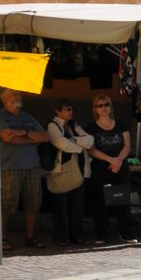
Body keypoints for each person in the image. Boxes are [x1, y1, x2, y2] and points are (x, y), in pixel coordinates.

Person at [0, 87, 49, 251]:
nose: (19, 96)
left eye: (20, 93)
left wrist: (23, 133)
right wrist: (31, 138)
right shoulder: (0, 117)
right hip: (9, 166)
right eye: (15, 93)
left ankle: (30, 236)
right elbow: (9, 140)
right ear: (4, 97)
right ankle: (2, 238)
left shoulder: (28, 117)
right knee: (6, 204)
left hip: (33, 166)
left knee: (33, 202)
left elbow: (45, 137)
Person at [84, 95, 135, 244]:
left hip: (120, 167)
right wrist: (110, 160)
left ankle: (126, 234)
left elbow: (127, 145)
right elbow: (91, 149)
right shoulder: (91, 127)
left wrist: (118, 160)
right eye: (99, 105)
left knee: (123, 201)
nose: (103, 108)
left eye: (106, 104)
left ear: (111, 107)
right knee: (99, 202)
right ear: (95, 109)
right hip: (101, 168)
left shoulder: (120, 124)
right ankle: (101, 235)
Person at [45, 99, 92, 246]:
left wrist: (73, 140)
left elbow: (90, 140)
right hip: (61, 172)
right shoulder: (52, 126)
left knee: (77, 206)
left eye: (71, 109)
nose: (70, 111)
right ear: (57, 111)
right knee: (60, 207)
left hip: (78, 171)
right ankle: (60, 237)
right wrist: (79, 146)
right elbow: (61, 144)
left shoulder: (73, 125)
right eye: (67, 109)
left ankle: (76, 236)